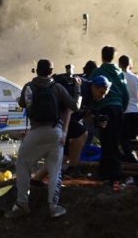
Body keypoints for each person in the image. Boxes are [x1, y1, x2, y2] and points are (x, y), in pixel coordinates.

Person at [5, 59, 81, 219]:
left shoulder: (29, 86)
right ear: (51, 71)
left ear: (36, 70)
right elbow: (75, 106)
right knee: (55, 170)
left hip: (36, 131)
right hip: (56, 132)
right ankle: (54, 207)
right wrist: (77, 88)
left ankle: (22, 204)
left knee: (23, 163)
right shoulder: (58, 87)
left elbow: (22, 104)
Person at [31, 75, 112, 184]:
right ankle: (72, 168)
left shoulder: (93, 98)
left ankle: (36, 180)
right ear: (94, 87)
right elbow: (68, 111)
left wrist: (97, 121)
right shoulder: (83, 92)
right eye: (101, 93)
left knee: (63, 156)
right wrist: (64, 133)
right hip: (58, 119)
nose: (102, 96)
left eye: (105, 94)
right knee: (82, 133)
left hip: (62, 121)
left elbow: (85, 114)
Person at [89, 46, 129, 184]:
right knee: (113, 142)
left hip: (105, 109)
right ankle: (106, 173)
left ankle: (113, 175)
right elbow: (125, 94)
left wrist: (92, 110)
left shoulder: (98, 71)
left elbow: (90, 89)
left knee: (107, 142)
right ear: (114, 57)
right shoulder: (119, 72)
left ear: (102, 56)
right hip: (118, 109)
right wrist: (121, 109)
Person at [118, 55, 138, 163]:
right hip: (136, 112)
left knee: (124, 140)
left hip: (124, 112)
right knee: (135, 138)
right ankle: (136, 158)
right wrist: (137, 100)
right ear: (130, 64)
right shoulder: (136, 78)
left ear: (119, 64)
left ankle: (131, 161)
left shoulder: (118, 77)